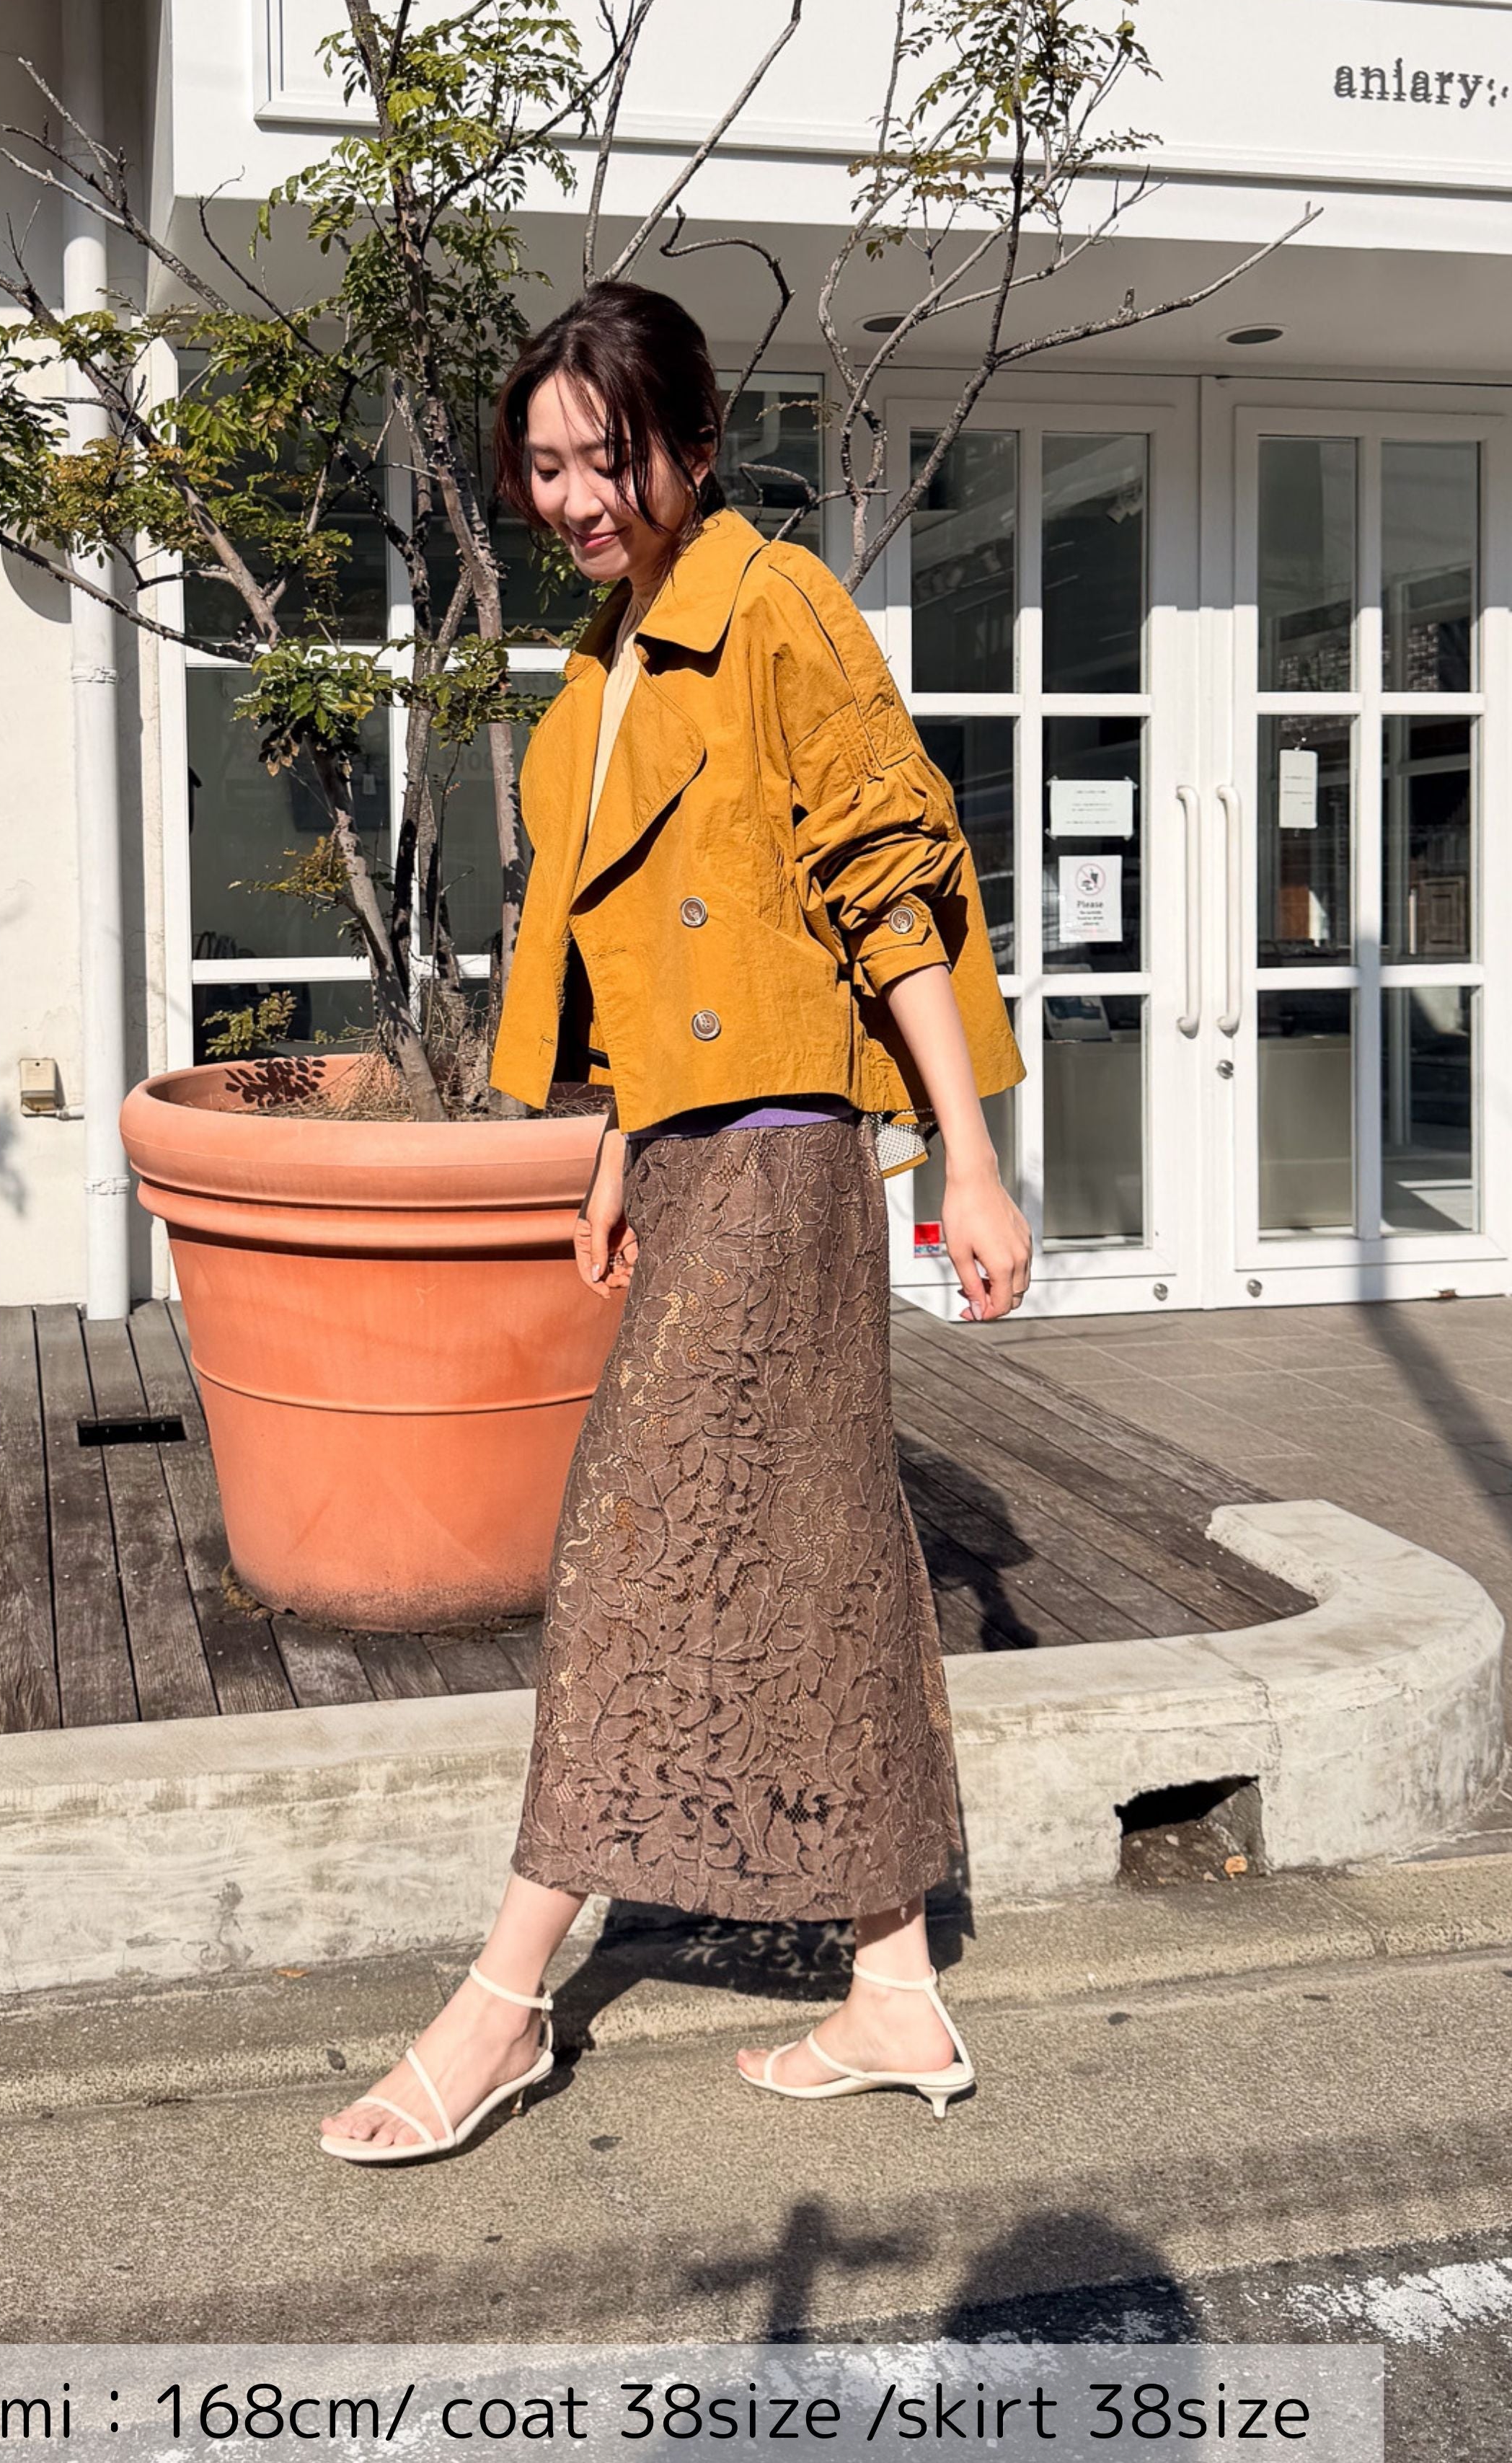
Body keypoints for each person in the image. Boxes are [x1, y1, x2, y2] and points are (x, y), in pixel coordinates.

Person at [319, 280, 1030, 2164]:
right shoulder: (602, 665)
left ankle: (503, 2002)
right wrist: (620, 1152)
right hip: (699, 1154)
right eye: (545, 465)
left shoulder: (772, 605)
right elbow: (640, 967)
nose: (573, 496)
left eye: (605, 458)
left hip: (789, 1155)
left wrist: (969, 1157)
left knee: (629, 1557)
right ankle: (894, 1988)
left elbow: (889, 875)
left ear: (695, 447)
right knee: (820, 1560)